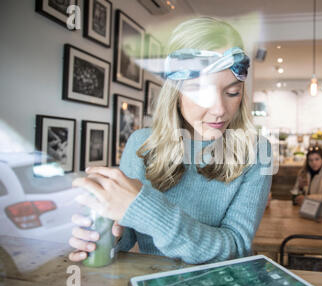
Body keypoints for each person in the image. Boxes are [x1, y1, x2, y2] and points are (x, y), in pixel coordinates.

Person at [68, 17, 273, 265]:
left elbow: (235, 249)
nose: (220, 109)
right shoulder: (141, 144)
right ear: (176, 91)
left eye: (232, 92)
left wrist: (145, 208)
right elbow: (126, 234)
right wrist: (100, 236)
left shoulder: (257, 151)